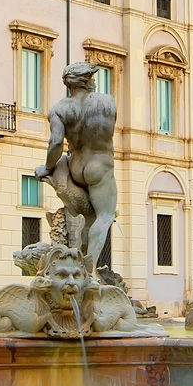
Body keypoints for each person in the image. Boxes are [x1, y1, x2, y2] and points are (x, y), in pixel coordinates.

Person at [35, 62, 119, 277]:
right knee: (105, 216)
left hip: (74, 166)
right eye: (92, 77)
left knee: (89, 219)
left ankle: (76, 258)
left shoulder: (59, 109)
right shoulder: (105, 102)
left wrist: (47, 167)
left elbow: (55, 143)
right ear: (87, 79)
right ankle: (88, 272)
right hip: (99, 166)